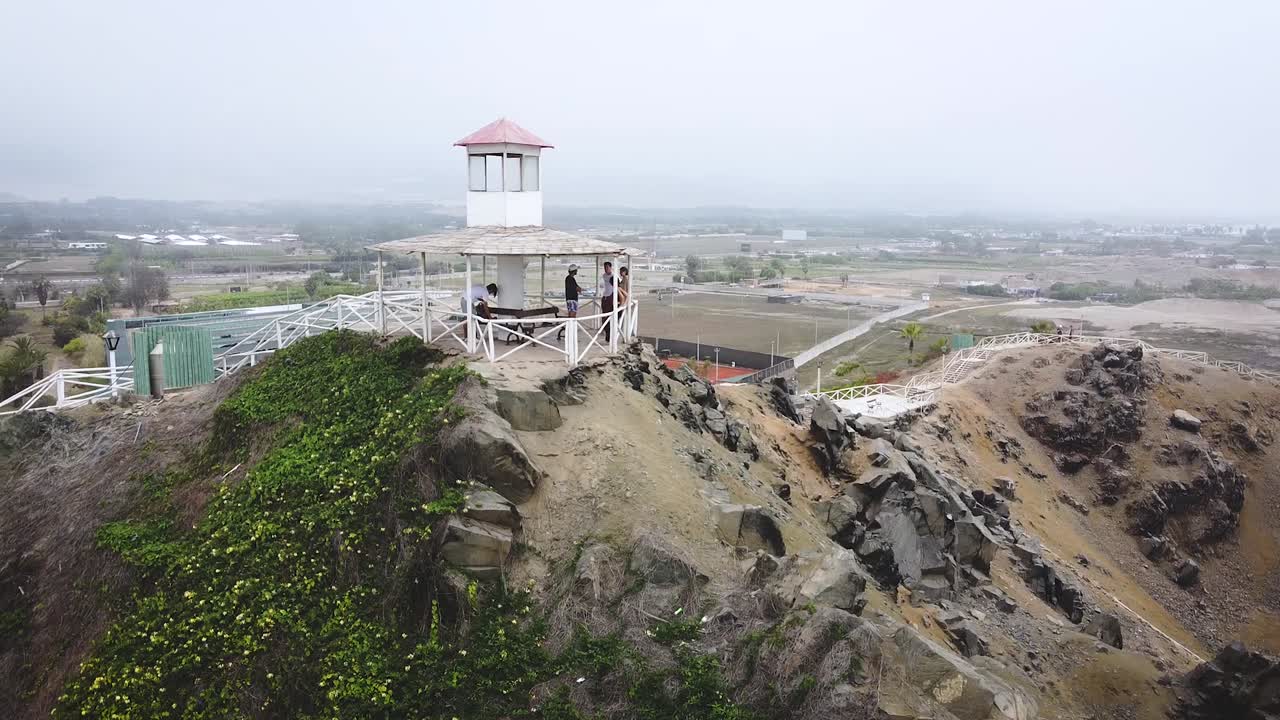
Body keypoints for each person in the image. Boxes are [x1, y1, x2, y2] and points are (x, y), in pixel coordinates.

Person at [600, 261, 615, 342]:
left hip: (611, 297)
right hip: (605, 297)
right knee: (604, 316)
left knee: (610, 316)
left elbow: (618, 288)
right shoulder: (604, 276)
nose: (606, 269)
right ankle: (606, 333)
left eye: (607, 267)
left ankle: (610, 334)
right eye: (605, 268)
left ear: (610, 267)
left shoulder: (613, 277)